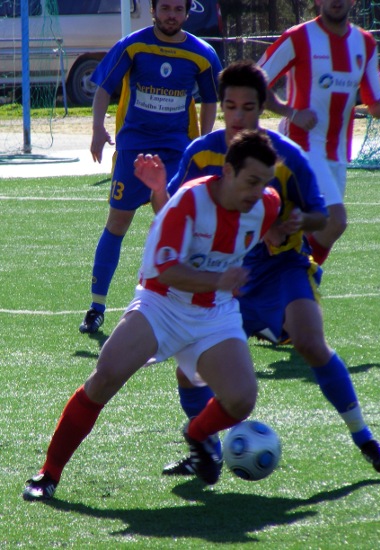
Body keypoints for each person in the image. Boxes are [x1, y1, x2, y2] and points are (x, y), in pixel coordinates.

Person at [135, 60, 380, 478]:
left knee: (310, 342)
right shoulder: (201, 152)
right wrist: (156, 189)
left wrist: (297, 221)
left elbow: (322, 216)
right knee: (190, 372)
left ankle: (365, 438)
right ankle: (204, 448)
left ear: (263, 109)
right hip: (225, 275)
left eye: (248, 108)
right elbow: (168, 214)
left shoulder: (287, 156)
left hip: (282, 266)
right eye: (230, 107)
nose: (238, 117)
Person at [22, 130, 281, 501]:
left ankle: (196, 435)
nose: (258, 192)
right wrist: (221, 278)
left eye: (264, 183)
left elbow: (270, 230)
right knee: (105, 376)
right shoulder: (190, 201)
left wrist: (292, 230)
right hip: (162, 304)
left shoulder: (266, 204)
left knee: (241, 399)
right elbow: (167, 271)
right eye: (251, 181)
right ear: (228, 171)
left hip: (215, 312)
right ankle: (49, 473)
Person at [79, 0, 222, 334]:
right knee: (117, 223)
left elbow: (211, 99)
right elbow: (103, 87)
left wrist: (203, 142)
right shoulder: (133, 45)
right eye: (165, 8)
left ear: (187, 13)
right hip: (134, 151)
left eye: (178, 9)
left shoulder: (202, 54)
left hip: (175, 154)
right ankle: (96, 307)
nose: (172, 15)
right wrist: (97, 128)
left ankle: (186, 303)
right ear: (153, 11)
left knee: (177, 225)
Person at [258, 0, 380, 265]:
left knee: (310, 229)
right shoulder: (299, 36)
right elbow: (254, 79)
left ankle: (286, 275)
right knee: (335, 221)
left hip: (337, 154)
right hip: (301, 147)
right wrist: (291, 112)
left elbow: (375, 104)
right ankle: (298, 276)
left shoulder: (364, 43)